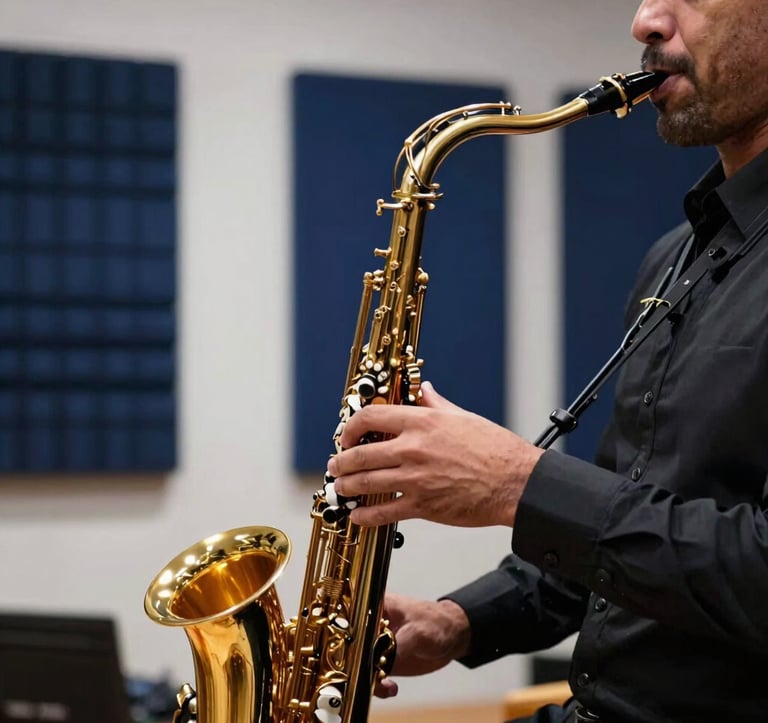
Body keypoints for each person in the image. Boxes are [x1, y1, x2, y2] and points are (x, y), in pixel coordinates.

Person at [325, 1, 768, 721]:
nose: (645, 22)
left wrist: (518, 486)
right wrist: (460, 620)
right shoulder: (676, 254)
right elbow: (624, 528)